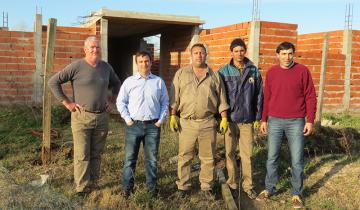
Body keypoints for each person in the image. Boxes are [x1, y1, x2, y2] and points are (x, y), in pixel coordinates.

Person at [48, 36, 121, 195]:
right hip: (81, 117)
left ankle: (93, 183)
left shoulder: (106, 67)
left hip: (101, 117)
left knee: (96, 152)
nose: (95, 50)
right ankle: (81, 187)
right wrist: (67, 103)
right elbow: (53, 82)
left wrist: (112, 101)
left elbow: (117, 83)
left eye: (98, 47)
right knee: (82, 154)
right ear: (85, 49)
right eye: (92, 47)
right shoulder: (76, 67)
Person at [256, 42, 316, 209]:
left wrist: (309, 120)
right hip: (274, 120)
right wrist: (264, 119)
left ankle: (296, 193)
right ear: (277, 55)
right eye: (283, 54)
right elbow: (267, 97)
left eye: (290, 53)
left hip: (296, 121)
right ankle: (269, 188)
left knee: (297, 160)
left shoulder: (302, 71)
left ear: (293, 54)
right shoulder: (272, 72)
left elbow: (310, 96)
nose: (287, 57)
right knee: (271, 157)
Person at [169, 43, 229, 199]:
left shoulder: (215, 76)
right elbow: (175, 98)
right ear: (191, 55)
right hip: (187, 123)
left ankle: (207, 186)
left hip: (208, 122)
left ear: (206, 55)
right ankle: (183, 186)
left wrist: (224, 119)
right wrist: (173, 115)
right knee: (185, 156)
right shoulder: (181, 74)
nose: (199, 55)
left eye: (202, 53)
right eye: (196, 53)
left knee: (208, 158)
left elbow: (222, 99)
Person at [116, 51, 169, 198]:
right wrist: (127, 119)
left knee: (151, 160)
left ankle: (151, 190)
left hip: (153, 126)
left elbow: (165, 102)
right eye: (141, 61)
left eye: (146, 61)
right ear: (137, 63)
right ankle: (127, 189)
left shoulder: (158, 82)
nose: (144, 64)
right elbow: (121, 102)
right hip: (134, 126)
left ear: (151, 63)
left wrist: (160, 121)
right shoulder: (129, 82)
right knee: (129, 159)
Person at [218, 38, 263, 199]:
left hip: (247, 120)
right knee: (229, 153)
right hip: (230, 120)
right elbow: (220, 96)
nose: (239, 53)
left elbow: (259, 95)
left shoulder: (253, 71)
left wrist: (258, 116)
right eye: (236, 51)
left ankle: (248, 185)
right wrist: (221, 117)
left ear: (245, 51)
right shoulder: (223, 71)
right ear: (231, 52)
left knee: (247, 154)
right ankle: (232, 182)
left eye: (242, 50)